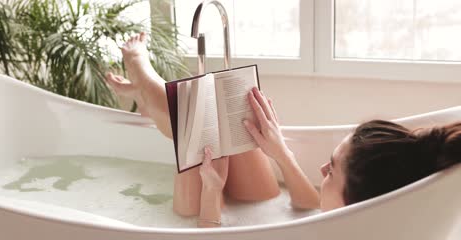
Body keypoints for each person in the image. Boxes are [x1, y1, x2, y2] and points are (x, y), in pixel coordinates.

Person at [108, 32, 461, 227]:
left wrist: (212, 195)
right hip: (263, 213)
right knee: (231, 126)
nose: (322, 169)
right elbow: (309, 203)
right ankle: (151, 98)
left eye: (332, 171)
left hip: (205, 229)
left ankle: (145, 81)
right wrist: (280, 151)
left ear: (357, 202)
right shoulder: (348, 221)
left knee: (193, 135)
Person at [106, 32, 281, 227]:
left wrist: (212, 191)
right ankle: (144, 91)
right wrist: (283, 154)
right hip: (271, 212)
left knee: (191, 119)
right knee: (231, 122)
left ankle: (141, 73)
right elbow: (309, 206)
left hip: (224, 230)